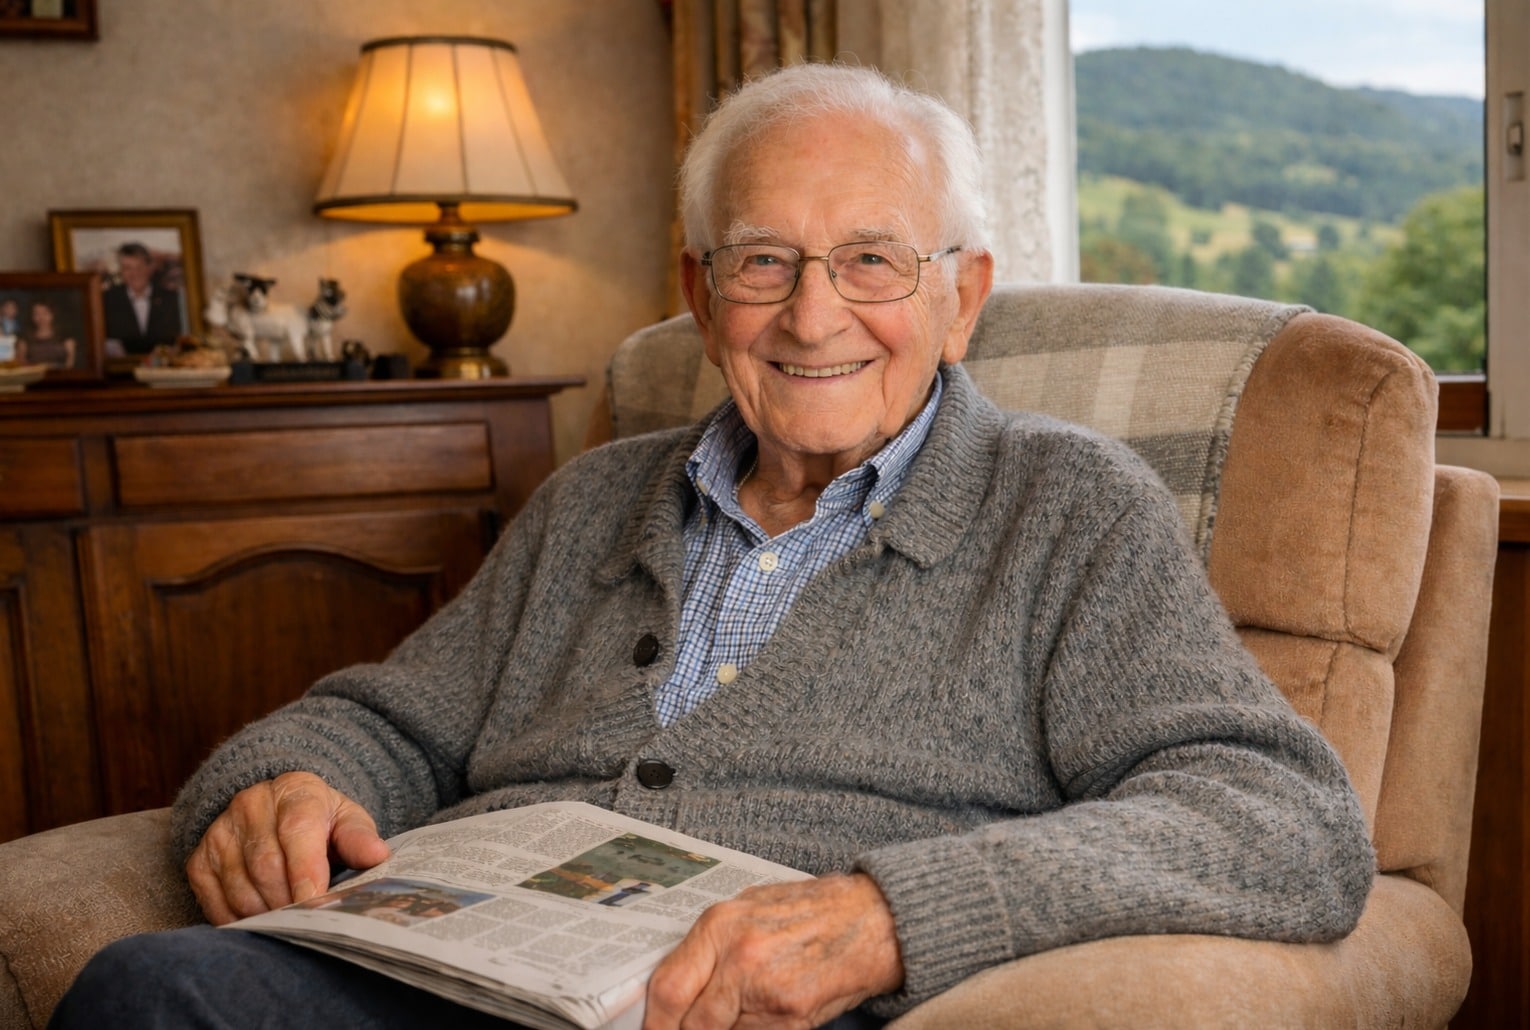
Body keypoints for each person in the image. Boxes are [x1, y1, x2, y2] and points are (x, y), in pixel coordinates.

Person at [50, 63, 1373, 1029]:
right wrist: (285, 778)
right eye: (761, 263)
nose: (811, 318)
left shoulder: (1063, 508)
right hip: (459, 975)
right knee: (146, 988)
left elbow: (1283, 821)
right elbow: (393, 722)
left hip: (745, 1012)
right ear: (697, 293)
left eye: (870, 260)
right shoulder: (594, 498)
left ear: (958, 297)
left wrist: (889, 913)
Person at [100, 241, 184, 355]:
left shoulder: (171, 299)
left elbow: (179, 339)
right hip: (119, 370)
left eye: (139, 267)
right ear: (121, 271)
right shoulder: (106, 300)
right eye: (127, 268)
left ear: (149, 268)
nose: (134, 273)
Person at [16, 298, 77, 369]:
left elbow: (70, 363)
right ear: (31, 316)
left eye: (45, 313)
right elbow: (21, 362)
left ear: (53, 314)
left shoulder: (66, 336)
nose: (41, 318)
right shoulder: (24, 338)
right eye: (36, 314)